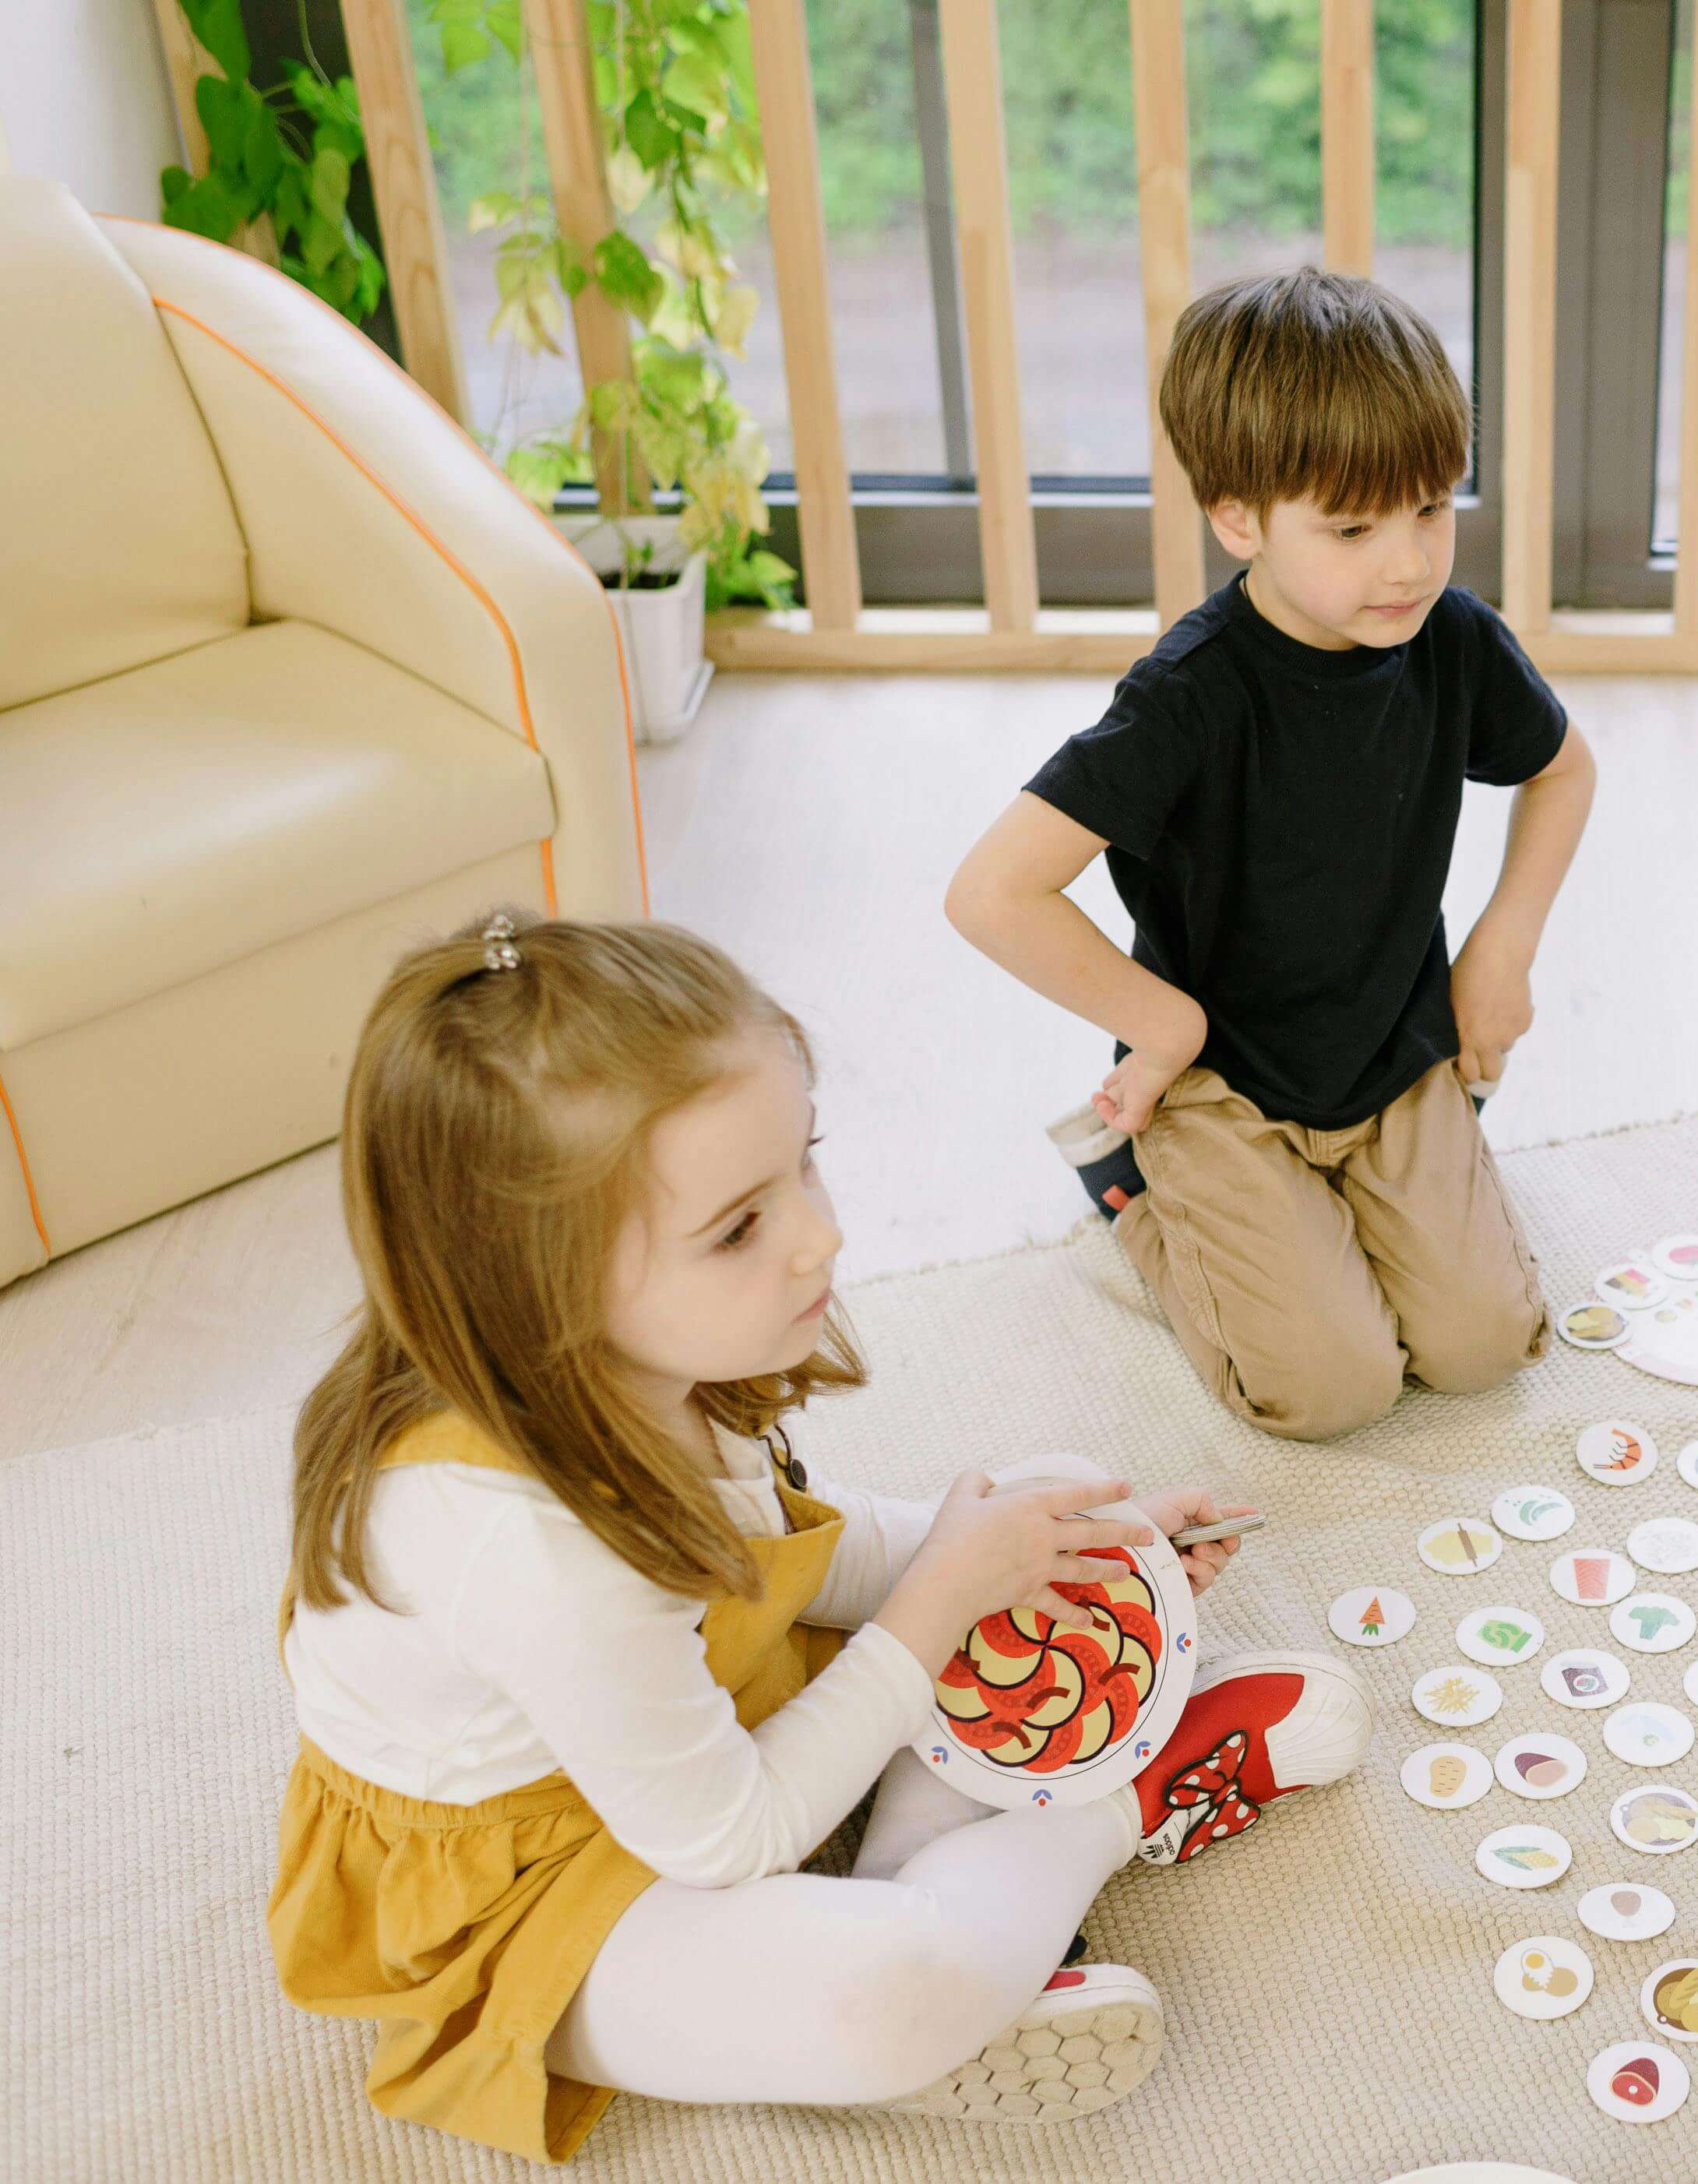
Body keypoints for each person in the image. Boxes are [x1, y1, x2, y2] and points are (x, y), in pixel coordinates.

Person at [267, 918, 1369, 2161]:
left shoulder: (626, 1369)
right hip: (537, 1893)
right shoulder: (523, 1545)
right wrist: (935, 1608)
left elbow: (787, 1555)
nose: (821, 1235)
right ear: (539, 1285)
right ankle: (1116, 1806)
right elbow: (728, 1837)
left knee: (1044, 1495)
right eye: (740, 1226)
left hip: (680, 1727)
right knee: (898, 1988)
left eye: (807, 1164)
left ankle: (932, 1851)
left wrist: (1048, 1547)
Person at [948, 266, 1598, 1443]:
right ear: (1239, 517)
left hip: (1392, 1050)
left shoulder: (1449, 637)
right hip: (1219, 1087)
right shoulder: (1189, 696)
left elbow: (1562, 770)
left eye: (1432, 509)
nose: (1406, 562)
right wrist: (1167, 1030)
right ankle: (1140, 1202)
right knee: (1330, 1390)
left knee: (1481, 1350)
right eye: (1352, 527)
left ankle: (1326, 1211)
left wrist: (1503, 950)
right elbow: (993, 891)